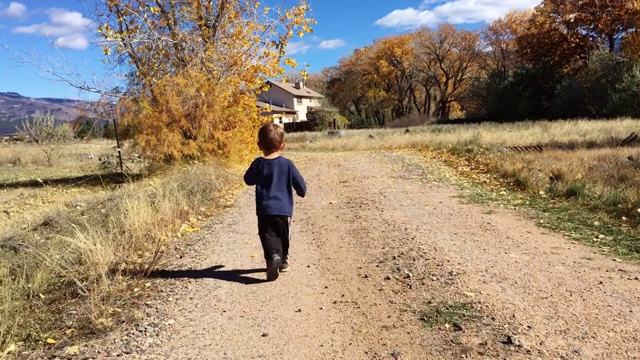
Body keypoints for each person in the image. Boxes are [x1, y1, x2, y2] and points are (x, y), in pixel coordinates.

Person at [244, 122, 307, 281]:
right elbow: (300, 183)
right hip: (283, 209)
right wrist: (301, 191)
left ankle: (272, 258)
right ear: (283, 145)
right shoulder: (287, 164)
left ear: (259, 145)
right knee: (283, 234)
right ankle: (283, 261)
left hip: (265, 209)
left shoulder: (258, 164)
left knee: (267, 235)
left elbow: (248, 180)